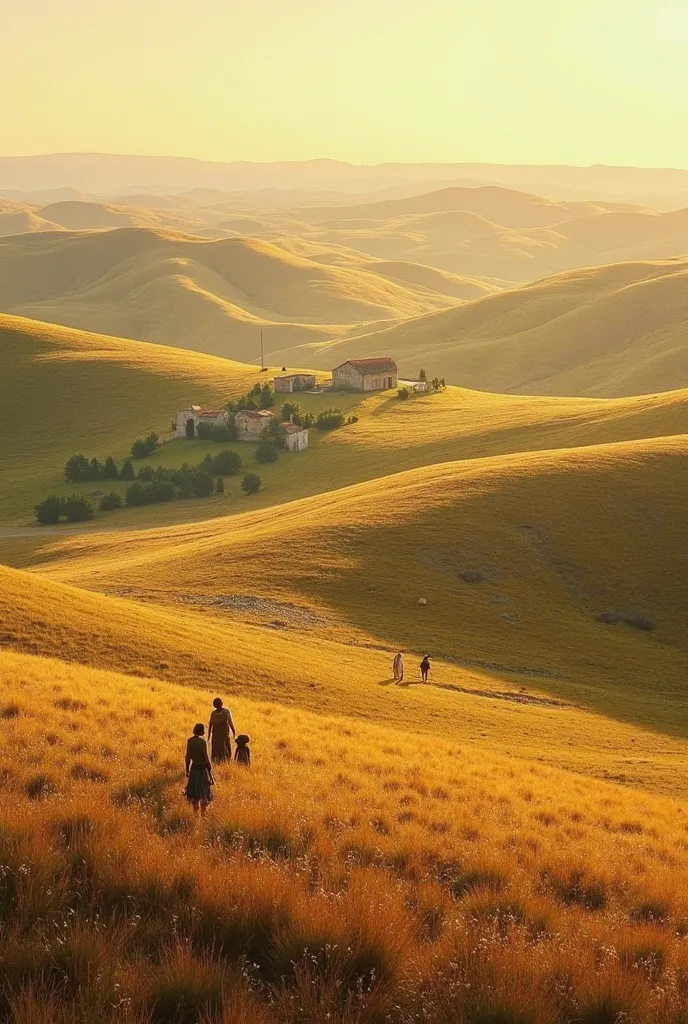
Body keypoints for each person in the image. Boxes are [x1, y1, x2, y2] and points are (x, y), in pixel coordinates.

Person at [184, 723, 214, 816]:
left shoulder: (190, 741)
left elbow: (187, 757)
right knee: (204, 792)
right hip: (203, 770)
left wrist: (187, 770)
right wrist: (209, 767)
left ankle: (195, 814)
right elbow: (205, 756)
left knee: (194, 793)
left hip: (194, 769)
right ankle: (203, 814)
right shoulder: (202, 742)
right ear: (202, 732)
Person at [208, 697, 236, 764]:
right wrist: (234, 731)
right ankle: (224, 762)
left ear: (214, 705)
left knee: (216, 750)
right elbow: (230, 723)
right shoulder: (226, 712)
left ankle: (218, 762)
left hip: (217, 735)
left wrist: (209, 736)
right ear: (221, 703)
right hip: (223, 735)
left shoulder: (213, 713)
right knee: (225, 750)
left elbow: (210, 725)